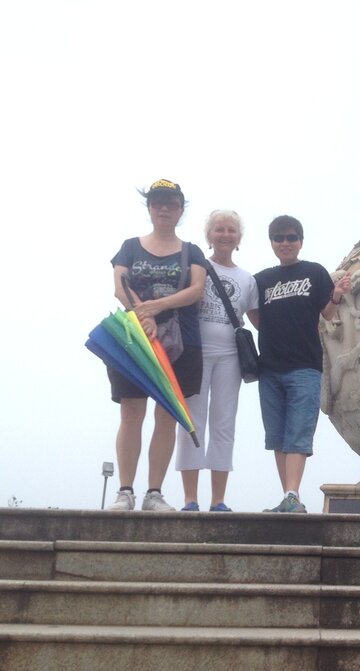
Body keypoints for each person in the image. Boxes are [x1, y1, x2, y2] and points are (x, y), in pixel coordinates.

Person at [106, 179, 207, 511]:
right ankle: (125, 490)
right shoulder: (129, 247)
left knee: (167, 415)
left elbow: (196, 289)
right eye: (157, 201)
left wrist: (157, 308)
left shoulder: (191, 251)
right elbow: (120, 286)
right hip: (134, 340)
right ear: (149, 207)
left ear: (180, 209)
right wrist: (142, 315)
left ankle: (154, 492)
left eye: (171, 202)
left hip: (180, 342)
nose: (164, 207)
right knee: (131, 412)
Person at [254, 215, 351, 513]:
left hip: (305, 366)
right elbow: (256, 319)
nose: (285, 243)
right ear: (271, 243)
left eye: (291, 237)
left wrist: (336, 295)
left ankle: (292, 494)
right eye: (279, 238)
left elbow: (328, 314)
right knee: (278, 435)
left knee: (298, 431)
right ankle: (287, 496)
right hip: (269, 366)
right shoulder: (260, 280)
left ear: (301, 241)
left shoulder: (314, 272)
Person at [175, 210, 259, 512]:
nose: (226, 234)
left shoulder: (247, 279)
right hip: (195, 352)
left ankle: (218, 499)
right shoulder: (198, 266)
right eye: (220, 229)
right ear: (209, 235)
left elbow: (257, 319)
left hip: (230, 357)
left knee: (224, 423)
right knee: (191, 422)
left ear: (239, 238)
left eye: (232, 230)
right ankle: (190, 498)